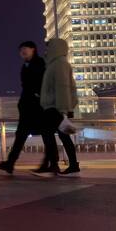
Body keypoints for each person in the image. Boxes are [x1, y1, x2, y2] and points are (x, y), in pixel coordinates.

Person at [0, 41, 56, 174]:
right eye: (21, 50)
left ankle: (50, 163)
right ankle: (10, 163)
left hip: (39, 107)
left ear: (33, 49)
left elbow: (43, 83)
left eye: (25, 49)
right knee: (22, 135)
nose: (22, 52)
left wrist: (38, 95)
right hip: (28, 107)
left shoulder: (40, 63)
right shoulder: (25, 66)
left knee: (46, 134)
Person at [32, 38, 80, 177]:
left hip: (56, 107)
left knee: (52, 134)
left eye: (49, 47)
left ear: (56, 48)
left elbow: (63, 88)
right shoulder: (55, 64)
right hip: (53, 106)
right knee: (58, 135)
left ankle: (58, 164)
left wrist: (64, 110)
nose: (47, 50)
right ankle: (63, 164)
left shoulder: (59, 64)